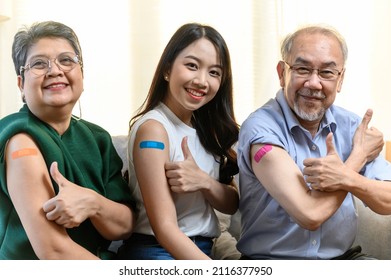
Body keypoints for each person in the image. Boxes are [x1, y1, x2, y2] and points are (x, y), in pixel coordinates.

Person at [236, 24, 391, 260]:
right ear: (281, 73)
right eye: (302, 68)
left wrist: (347, 175)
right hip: (272, 264)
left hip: (343, 261)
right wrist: (358, 158)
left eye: (327, 72)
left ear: (340, 80)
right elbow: (309, 214)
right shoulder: (260, 126)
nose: (314, 83)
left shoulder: (351, 126)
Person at [0, 21, 136, 259]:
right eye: (39, 64)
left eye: (66, 60)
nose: (55, 71)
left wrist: (92, 203)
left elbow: (124, 225)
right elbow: (53, 251)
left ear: (81, 74)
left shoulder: (97, 139)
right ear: (21, 84)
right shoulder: (20, 139)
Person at [117, 23, 240, 260]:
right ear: (167, 70)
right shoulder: (154, 130)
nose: (202, 81)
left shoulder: (207, 129)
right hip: (158, 250)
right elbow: (164, 228)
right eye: (192, 66)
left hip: (201, 248)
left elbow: (231, 204)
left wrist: (203, 181)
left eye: (214, 72)